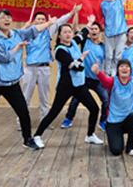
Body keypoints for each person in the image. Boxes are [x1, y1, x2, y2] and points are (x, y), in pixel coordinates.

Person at [0, 9, 48, 159]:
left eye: (9, 17)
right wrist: (17, 47)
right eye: (3, 17)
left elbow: (32, 30)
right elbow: (5, 57)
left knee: (23, 112)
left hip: (11, 82)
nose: (7, 20)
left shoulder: (16, 34)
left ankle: (27, 139)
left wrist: (49, 23)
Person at [31, 16, 103, 148]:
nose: (68, 34)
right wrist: (82, 58)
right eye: (65, 32)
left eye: (69, 32)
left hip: (79, 85)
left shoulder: (74, 42)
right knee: (54, 111)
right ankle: (36, 136)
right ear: (59, 36)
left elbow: (83, 33)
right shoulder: (59, 50)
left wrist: (89, 22)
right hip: (66, 86)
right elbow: (73, 66)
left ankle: (90, 135)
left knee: (94, 108)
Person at [20, 5, 79, 124]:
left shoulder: (48, 31)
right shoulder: (28, 32)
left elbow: (60, 21)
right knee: (25, 96)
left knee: (44, 97)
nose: (41, 21)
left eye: (43, 19)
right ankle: (21, 122)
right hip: (30, 68)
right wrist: (25, 26)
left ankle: (45, 121)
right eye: (39, 19)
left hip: (44, 68)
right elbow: (15, 36)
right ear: (34, 21)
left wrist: (72, 12)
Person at [61, 18, 111, 130]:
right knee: (75, 100)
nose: (93, 31)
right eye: (91, 29)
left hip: (98, 79)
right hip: (84, 78)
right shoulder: (85, 41)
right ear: (89, 31)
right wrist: (76, 14)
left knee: (106, 100)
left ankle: (103, 121)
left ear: (99, 31)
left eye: (96, 29)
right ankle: (68, 119)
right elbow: (75, 28)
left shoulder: (103, 46)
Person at [100, 0, 132, 75]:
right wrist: (101, 25)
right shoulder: (103, 3)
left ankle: (115, 75)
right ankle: (107, 74)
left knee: (118, 56)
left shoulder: (120, 0)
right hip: (108, 32)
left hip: (121, 31)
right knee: (109, 56)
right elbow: (99, 16)